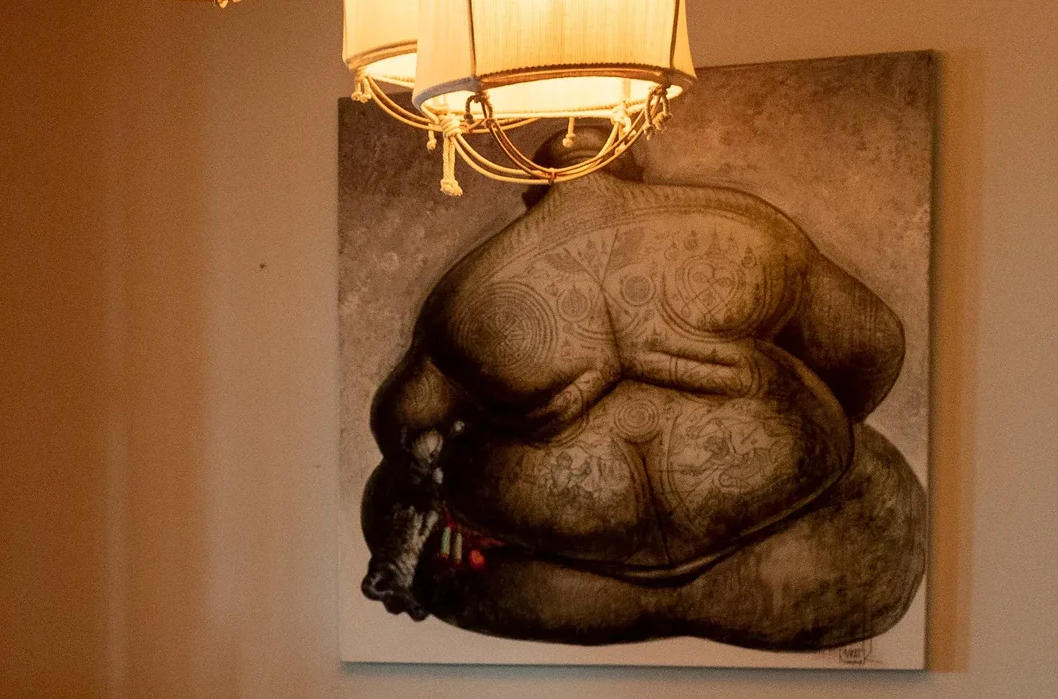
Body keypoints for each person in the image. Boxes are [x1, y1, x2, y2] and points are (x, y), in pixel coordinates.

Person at [361, 158, 928, 652]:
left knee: (396, 491)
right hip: (790, 562)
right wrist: (798, 434)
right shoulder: (742, 224)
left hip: (561, 585)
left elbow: (404, 429)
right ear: (633, 168)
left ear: (533, 190)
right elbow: (869, 345)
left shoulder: (466, 292)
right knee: (861, 454)